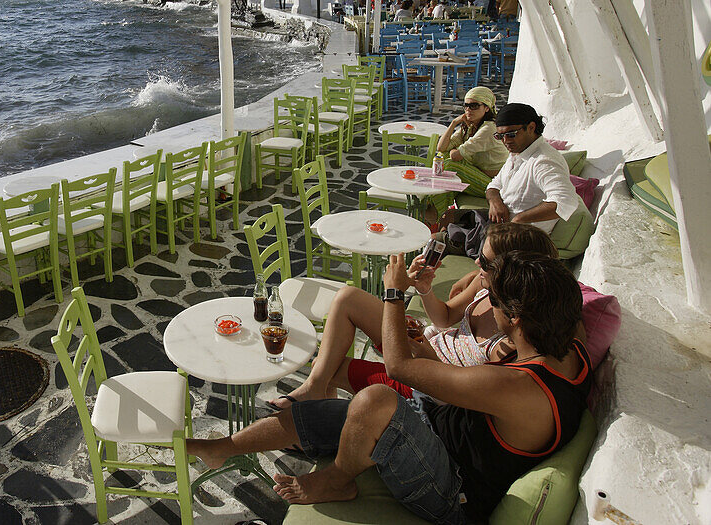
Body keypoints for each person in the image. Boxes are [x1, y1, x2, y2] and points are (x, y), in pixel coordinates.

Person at [188, 251, 591, 525]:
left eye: (495, 301)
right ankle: (220, 449)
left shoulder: (517, 387)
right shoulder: (570, 349)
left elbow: (399, 366)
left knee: (377, 399)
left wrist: (394, 293)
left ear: (517, 317)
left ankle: (338, 479)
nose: (488, 303)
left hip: (452, 490)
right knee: (326, 412)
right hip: (436, 429)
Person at [268, 223, 559, 412]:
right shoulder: (484, 286)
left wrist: (395, 295)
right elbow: (445, 318)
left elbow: (466, 391)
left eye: (484, 261)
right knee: (347, 297)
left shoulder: (512, 333)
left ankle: (313, 414)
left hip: (429, 382)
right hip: (424, 342)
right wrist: (425, 289)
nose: (475, 263)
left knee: (325, 364)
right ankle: (313, 393)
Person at [486, 103, 579, 233]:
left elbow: (566, 201)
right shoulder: (518, 153)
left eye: (511, 134)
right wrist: (495, 201)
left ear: (531, 127)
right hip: (501, 225)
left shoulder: (543, 161)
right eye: (500, 136)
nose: (505, 141)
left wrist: (519, 220)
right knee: (450, 219)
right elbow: (494, 184)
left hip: (519, 237)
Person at [437, 86, 508, 179]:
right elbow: (441, 148)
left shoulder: (489, 128)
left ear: (486, 108)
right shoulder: (471, 125)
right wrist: (453, 123)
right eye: (466, 106)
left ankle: (433, 191)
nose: (468, 110)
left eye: (474, 106)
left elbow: (455, 156)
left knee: (450, 165)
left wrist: (454, 150)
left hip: (493, 181)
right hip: (478, 171)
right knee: (441, 156)